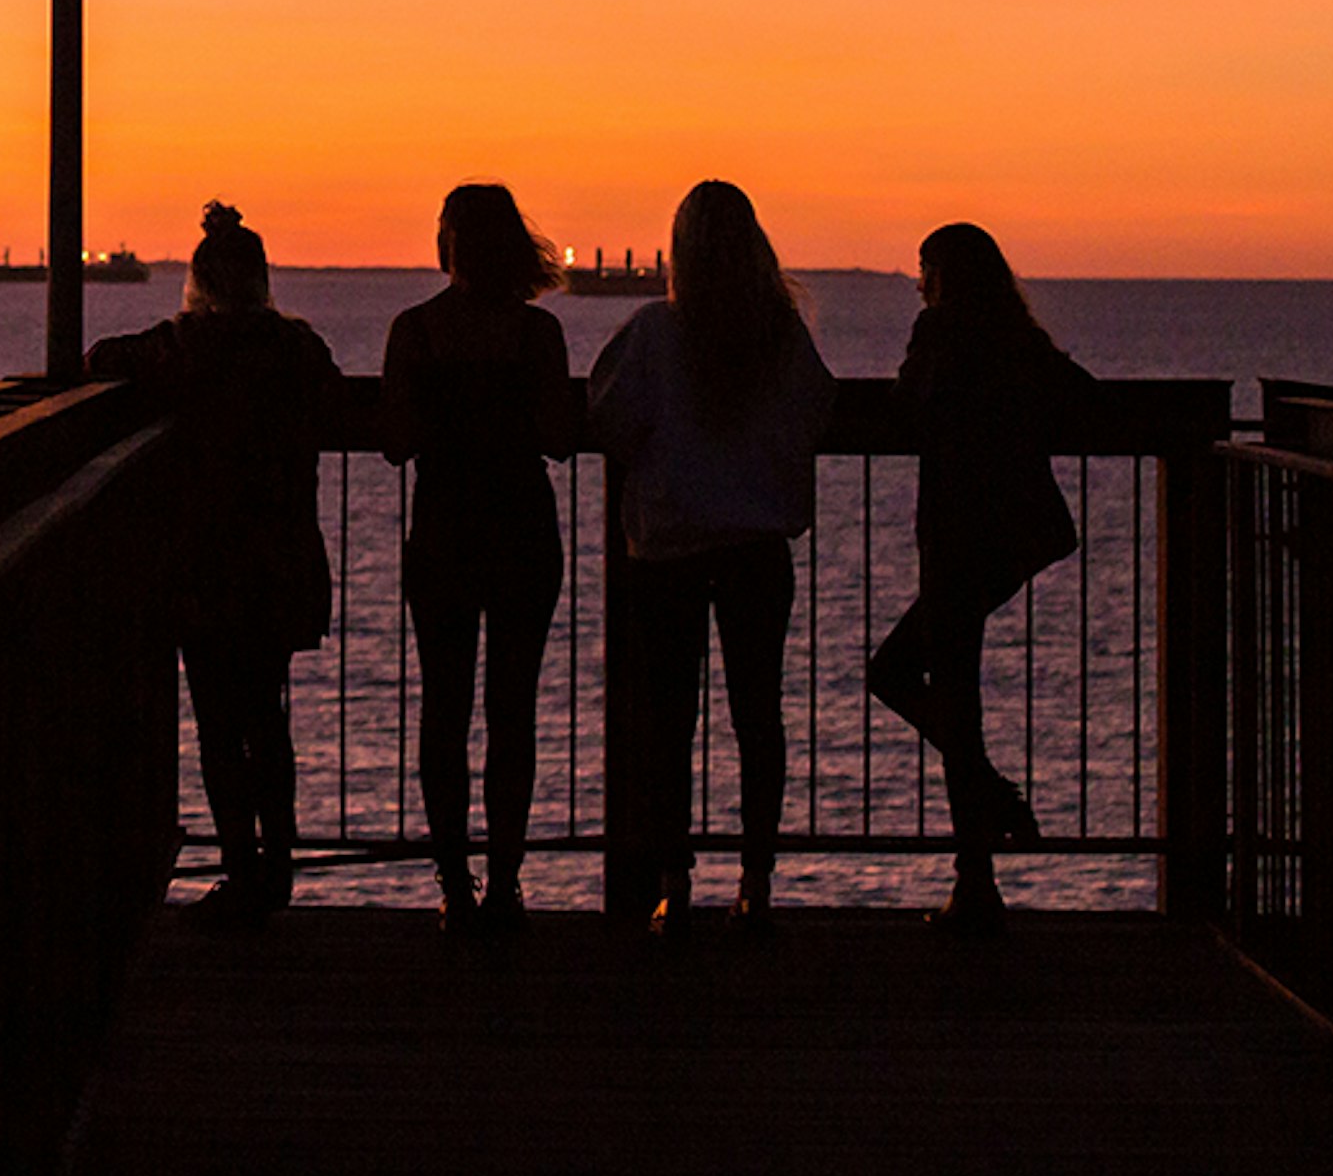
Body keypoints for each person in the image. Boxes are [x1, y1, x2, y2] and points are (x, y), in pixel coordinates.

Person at [89, 200, 344, 921]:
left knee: (218, 726)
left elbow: (103, 360)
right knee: (269, 719)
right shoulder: (299, 349)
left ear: (199, 281)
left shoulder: (181, 347)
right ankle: (280, 867)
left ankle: (239, 869)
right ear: (262, 279)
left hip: (204, 563)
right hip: (281, 558)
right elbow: (329, 398)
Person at [590, 179, 831, 933]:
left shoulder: (655, 334)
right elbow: (817, 410)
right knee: (758, 717)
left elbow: (611, 422)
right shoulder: (784, 335)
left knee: (668, 719)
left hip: (670, 549)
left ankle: (673, 878)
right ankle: (757, 877)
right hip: (758, 548)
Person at [867, 221, 1092, 935]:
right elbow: (1079, 395)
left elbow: (910, 404)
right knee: (939, 688)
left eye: (923, 270)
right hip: (1012, 538)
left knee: (911, 680)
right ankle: (982, 852)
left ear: (944, 277)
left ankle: (981, 863)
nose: (919, 284)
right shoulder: (1016, 337)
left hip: (959, 537)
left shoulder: (938, 335)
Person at [380, 182, 579, 936]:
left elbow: (396, 440)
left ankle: (453, 883)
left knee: (445, 709)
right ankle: (505, 881)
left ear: (449, 242)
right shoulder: (537, 334)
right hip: (524, 531)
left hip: (443, 534)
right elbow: (560, 434)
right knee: (513, 710)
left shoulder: (416, 331)